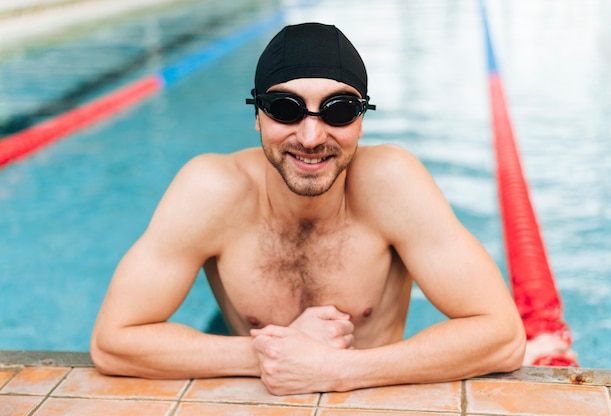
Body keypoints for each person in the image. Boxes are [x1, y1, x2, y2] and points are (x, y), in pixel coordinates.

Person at [90, 22, 526, 395]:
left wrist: (339, 370)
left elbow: (503, 337)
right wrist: (270, 352)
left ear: (361, 119)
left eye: (338, 111)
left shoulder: (393, 184)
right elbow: (112, 342)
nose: (312, 136)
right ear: (258, 115)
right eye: (286, 108)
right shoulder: (212, 191)